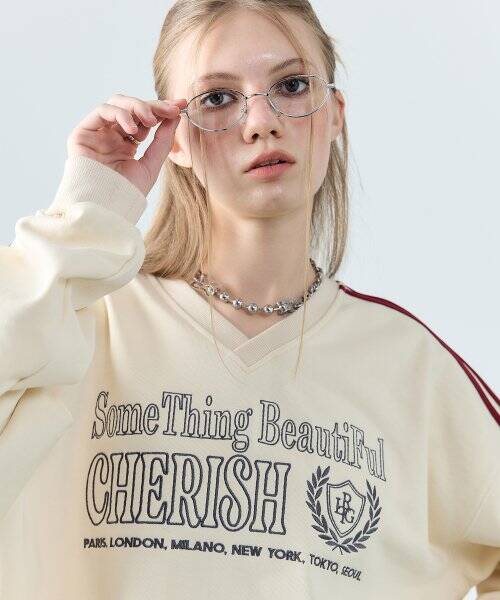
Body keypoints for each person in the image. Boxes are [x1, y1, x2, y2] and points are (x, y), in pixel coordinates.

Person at [0, 1, 498, 598]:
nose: (261, 121)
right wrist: (86, 211)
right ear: (174, 140)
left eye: (291, 86)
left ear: (335, 115)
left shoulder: (410, 366)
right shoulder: (76, 323)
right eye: (217, 98)